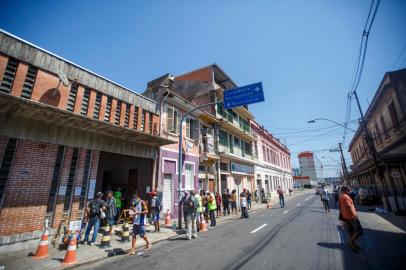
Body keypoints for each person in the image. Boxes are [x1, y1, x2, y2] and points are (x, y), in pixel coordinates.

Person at [339, 186, 363, 252]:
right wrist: (354, 215)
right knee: (358, 231)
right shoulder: (346, 197)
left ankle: (353, 244)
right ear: (345, 190)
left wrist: (343, 219)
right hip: (351, 217)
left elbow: (341, 208)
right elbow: (348, 207)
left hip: (346, 217)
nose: (350, 190)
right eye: (349, 189)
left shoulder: (341, 196)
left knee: (351, 232)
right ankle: (350, 242)